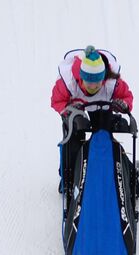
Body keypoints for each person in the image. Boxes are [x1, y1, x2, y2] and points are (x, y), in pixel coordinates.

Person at [52, 46, 134, 194]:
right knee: (73, 135)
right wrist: (69, 111)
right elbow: (57, 101)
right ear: (81, 77)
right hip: (76, 107)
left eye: (98, 82)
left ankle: (124, 174)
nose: (94, 87)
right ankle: (69, 178)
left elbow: (126, 96)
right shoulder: (68, 82)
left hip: (102, 106)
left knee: (103, 134)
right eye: (89, 82)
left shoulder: (111, 83)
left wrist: (123, 105)